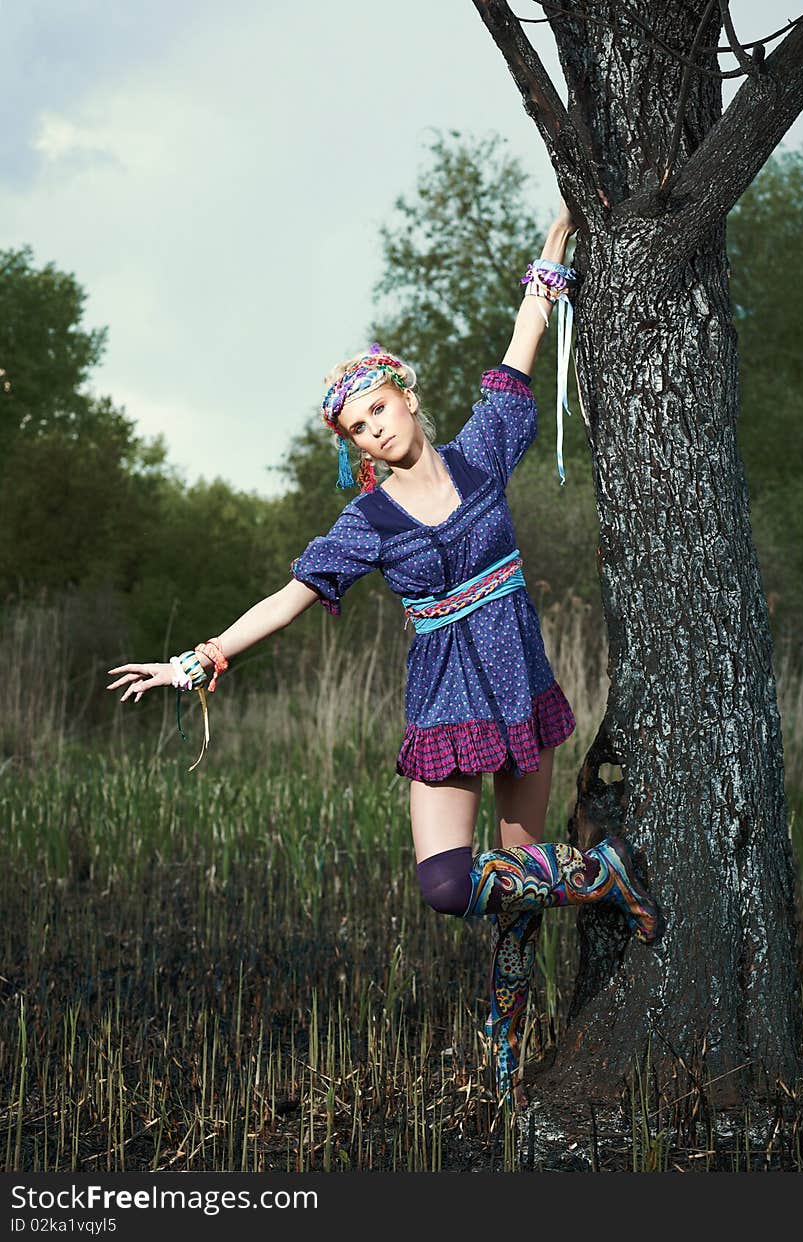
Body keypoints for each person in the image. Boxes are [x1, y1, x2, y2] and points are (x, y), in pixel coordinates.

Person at [107, 198, 659, 1109]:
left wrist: (553, 248)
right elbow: (289, 599)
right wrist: (198, 659)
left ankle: (506, 1060)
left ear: (406, 395)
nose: (373, 430)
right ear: (353, 445)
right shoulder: (365, 521)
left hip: (521, 689)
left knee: (518, 894)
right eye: (356, 428)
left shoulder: (487, 448)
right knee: (450, 885)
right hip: (444, 707)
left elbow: (522, 344)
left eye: (378, 409)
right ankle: (604, 874)